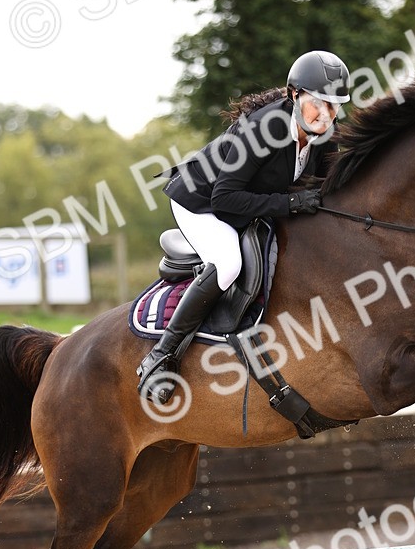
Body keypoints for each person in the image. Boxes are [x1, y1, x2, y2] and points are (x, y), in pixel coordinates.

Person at [137, 49, 351, 400]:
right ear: (295, 95)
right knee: (228, 264)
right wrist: (291, 203)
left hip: (245, 203)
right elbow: (225, 199)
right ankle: (160, 357)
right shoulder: (262, 131)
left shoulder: (326, 132)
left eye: (335, 105)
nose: (327, 116)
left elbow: (329, 191)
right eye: (319, 103)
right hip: (201, 203)